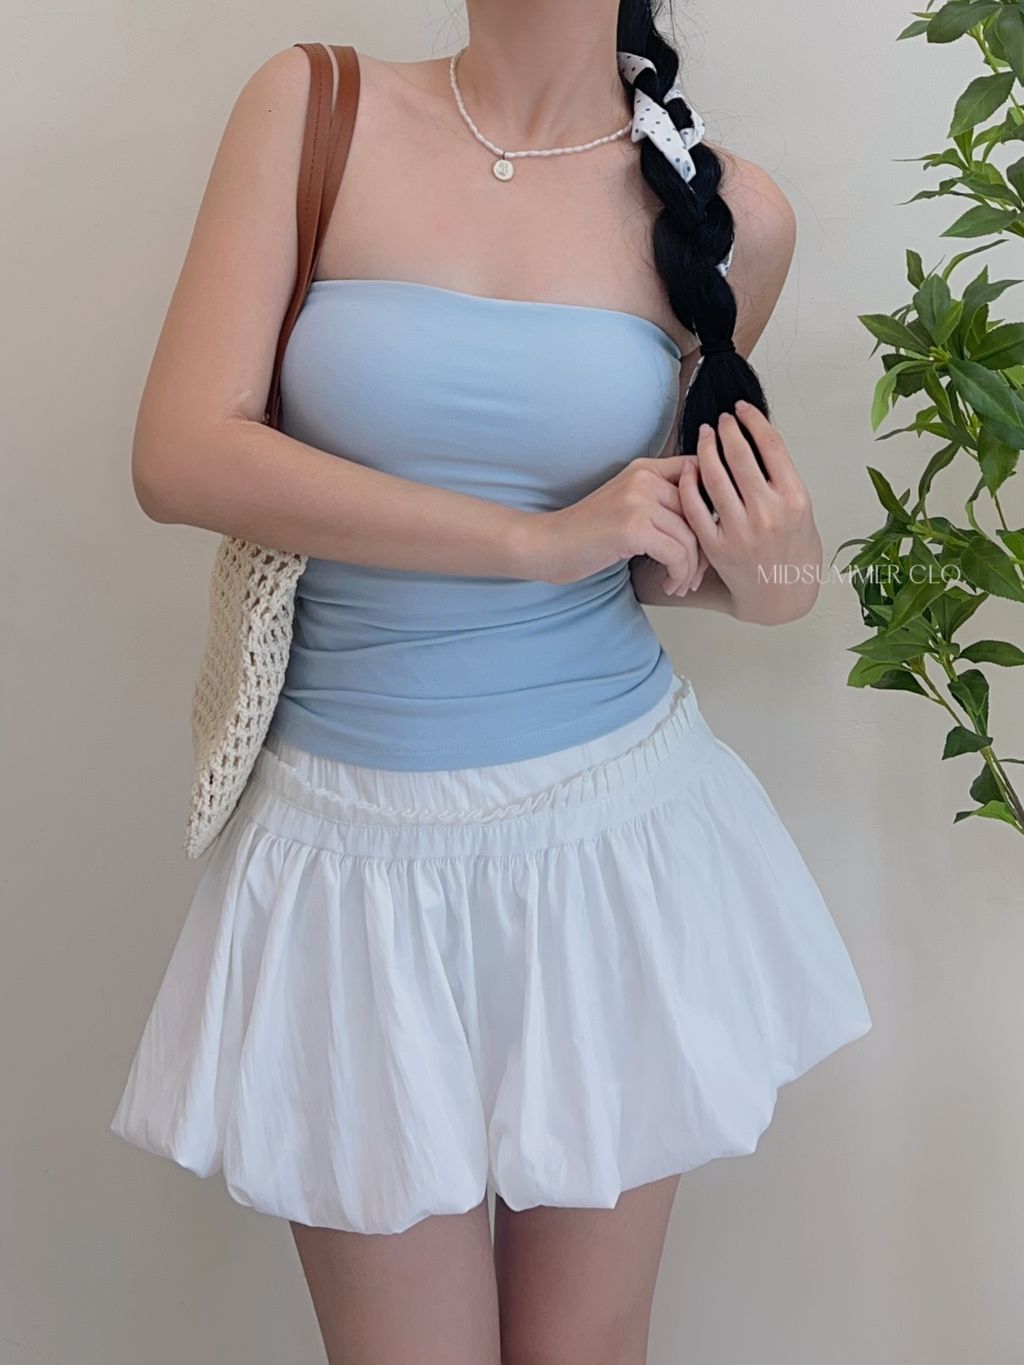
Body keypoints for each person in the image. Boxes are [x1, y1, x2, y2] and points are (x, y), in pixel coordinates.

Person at [111, 5, 873, 1362]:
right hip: (345, 856)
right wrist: (526, 541)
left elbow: (666, 546)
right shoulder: (314, 107)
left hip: (611, 843)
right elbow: (180, 454)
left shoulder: (728, 214)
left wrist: (776, 582)